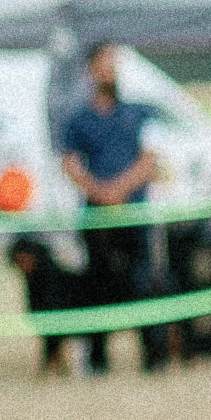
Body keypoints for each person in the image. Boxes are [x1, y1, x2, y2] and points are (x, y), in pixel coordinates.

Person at [56, 42, 166, 371]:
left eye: (114, 62)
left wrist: (120, 188)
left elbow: (151, 158)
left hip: (135, 215)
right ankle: (98, 356)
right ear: (91, 69)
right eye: (104, 62)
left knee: (143, 281)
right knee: (97, 284)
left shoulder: (138, 113)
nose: (111, 68)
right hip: (96, 220)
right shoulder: (77, 119)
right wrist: (99, 192)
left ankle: (154, 354)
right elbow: (71, 163)